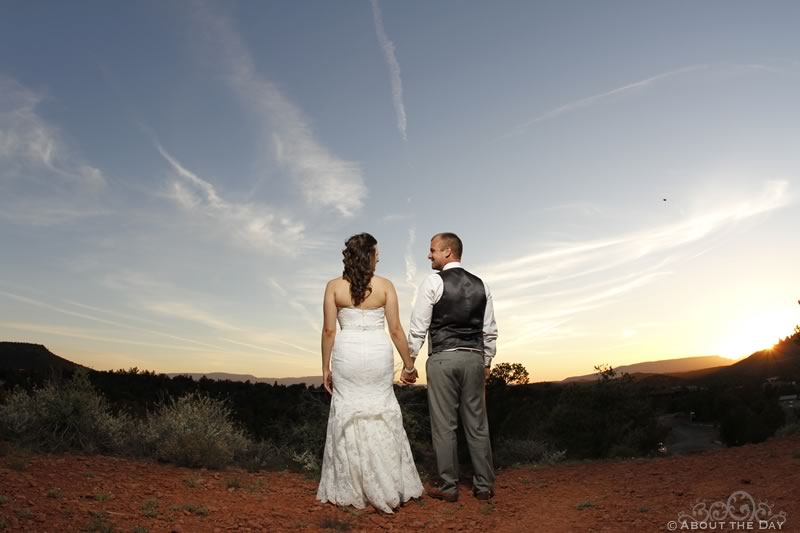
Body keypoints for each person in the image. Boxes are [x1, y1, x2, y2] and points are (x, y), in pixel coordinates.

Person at [316, 233, 424, 513]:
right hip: (377, 353)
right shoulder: (386, 286)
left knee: (348, 411)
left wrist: (325, 367)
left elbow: (329, 331)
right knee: (381, 410)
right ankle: (388, 482)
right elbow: (396, 330)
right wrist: (409, 365)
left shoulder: (333, 287)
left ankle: (352, 487)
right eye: (377, 253)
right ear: (369, 256)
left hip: (347, 353)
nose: (379, 257)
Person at [406, 232, 498, 502]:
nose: (429, 255)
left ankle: (449, 488)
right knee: (478, 424)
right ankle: (484, 486)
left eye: (432, 250)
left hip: (444, 359)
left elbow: (418, 327)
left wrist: (409, 363)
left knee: (444, 426)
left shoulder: (433, 282)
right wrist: (487, 361)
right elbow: (489, 330)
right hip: (474, 358)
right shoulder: (482, 285)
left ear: (448, 252)